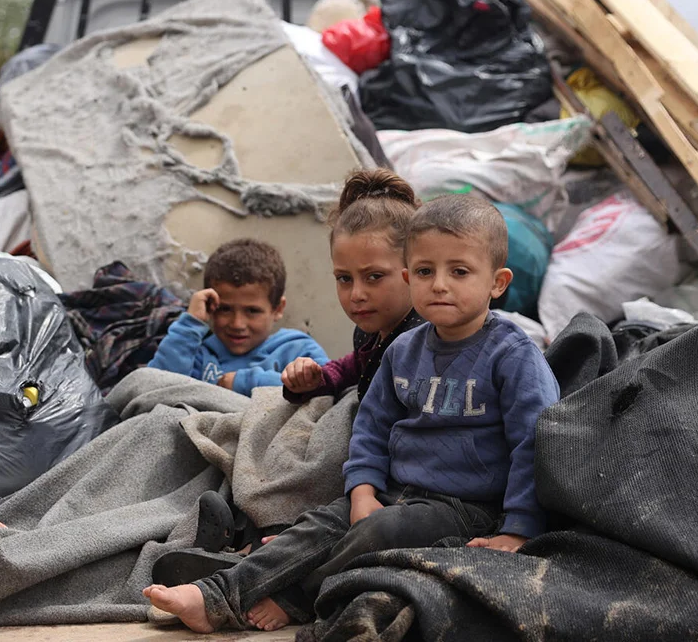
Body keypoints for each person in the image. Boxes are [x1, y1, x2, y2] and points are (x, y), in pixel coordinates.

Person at [143, 194, 561, 632]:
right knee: (319, 524)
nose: (439, 285)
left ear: (497, 282)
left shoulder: (512, 356)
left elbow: (533, 444)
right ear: (408, 276)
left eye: (459, 271)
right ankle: (214, 593)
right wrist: (362, 489)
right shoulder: (403, 350)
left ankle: (295, 596)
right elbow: (372, 426)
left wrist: (517, 529)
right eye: (424, 271)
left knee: (378, 532)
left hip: (465, 507)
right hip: (395, 490)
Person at [281, 169, 424, 404]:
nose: (356, 295)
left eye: (374, 276)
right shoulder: (372, 333)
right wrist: (316, 378)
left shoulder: (431, 342)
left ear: (416, 270)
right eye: (344, 279)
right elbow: (355, 366)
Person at [148, 238, 329, 396]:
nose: (237, 324)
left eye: (252, 311)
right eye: (225, 309)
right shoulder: (198, 355)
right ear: (211, 307)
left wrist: (245, 382)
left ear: (278, 308)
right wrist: (190, 324)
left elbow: (326, 386)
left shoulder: (296, 350)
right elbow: (152, 389)